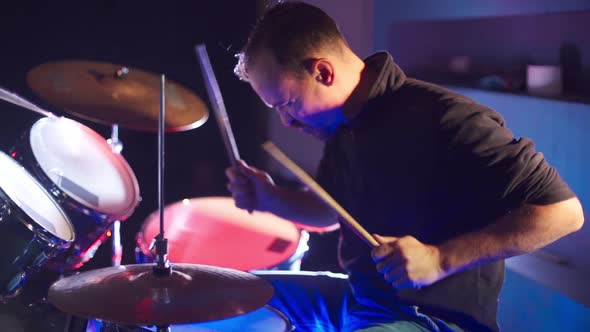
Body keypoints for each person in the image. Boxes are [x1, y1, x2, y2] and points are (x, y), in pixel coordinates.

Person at [225, 2, 584, 331]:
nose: (286, 121)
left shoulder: (447, 118)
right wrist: (270, 198)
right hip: (360, 299)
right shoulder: (342, 124)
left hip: (431, 320)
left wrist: (441, 259)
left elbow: (564, 213)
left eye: (287, 103)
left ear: (323, 72)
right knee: (228, 294)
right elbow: (330, 211)